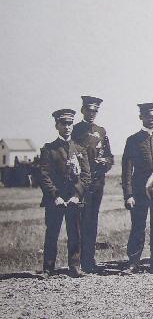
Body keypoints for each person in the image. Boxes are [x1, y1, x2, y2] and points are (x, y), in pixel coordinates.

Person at [39, 109, 91, 278]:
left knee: (75, 233)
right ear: (57, 125)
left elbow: (86, 176)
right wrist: (55, 196)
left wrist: (77, 195)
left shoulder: (80, 149)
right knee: (52, 233)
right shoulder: (49, 149)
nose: (67, 127)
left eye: (70, 123)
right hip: (56, 200)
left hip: (74, 199)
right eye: (64, 123)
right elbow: (44, 175)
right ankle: (48, 268)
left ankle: (74, 267)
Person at [121, 102, 153, 274]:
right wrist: (128, 194)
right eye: (148, 116)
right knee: (138, 227)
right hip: (140, 190)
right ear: (141, 117)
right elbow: (127, 170)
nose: (151, 119)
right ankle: (133, 263)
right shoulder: (133, 140)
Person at [71, 96, 114, 273]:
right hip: (80, 182)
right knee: (78, 221)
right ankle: (76, 261)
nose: (92, 114)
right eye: (89, 110)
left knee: (92, 220)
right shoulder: (75, 130)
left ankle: (89, 260)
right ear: (83, 110)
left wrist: (106, 162)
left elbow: (110, 157)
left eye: (95, 111)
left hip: (97, 183)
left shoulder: (101, 131)